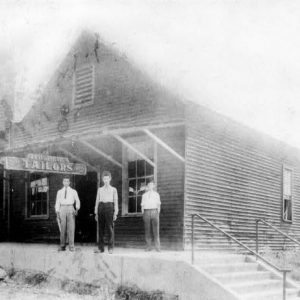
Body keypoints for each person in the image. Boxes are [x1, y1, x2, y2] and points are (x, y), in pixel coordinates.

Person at [94, 171, 118, 254]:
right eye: (104, 179)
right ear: (102, 180)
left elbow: (115, 201)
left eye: (107, 179)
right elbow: (97, 201)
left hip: (109, 207)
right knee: (101, 229)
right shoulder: (100, 189)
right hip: (101, 207)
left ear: (110, 179)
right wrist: (96, 212)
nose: (106, 180)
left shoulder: (113, 189)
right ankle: (101, 248)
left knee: (110, 228)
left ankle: (110, 248)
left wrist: (115, 213)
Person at [55, 176, 80, 252]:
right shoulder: (59, 192)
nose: (66, 183)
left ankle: (71, 246)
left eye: (67, 181)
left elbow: (77, 200)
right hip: (62, 208)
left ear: (69, 182)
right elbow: (57, 202)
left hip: (70, 208)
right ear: (63, 182)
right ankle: (62, 246)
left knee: (71, 228)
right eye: (64, 181)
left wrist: (77, 208)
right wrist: (57, 211)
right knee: (62, 228)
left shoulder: (73, 191)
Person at [141, 180, 161, 252]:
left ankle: (157, 247)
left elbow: (158, 204)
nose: (150, 186)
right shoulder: (144, 195)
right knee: (147, 230)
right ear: (147, 186)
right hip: (146, 212)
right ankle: (148, 247)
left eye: (151, 185)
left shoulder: (156, 194)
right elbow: (142, 205)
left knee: (156, 230)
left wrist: (157, 212)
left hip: (154, 211)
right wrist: (143, 212)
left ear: (154, 186)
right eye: (149, 185)